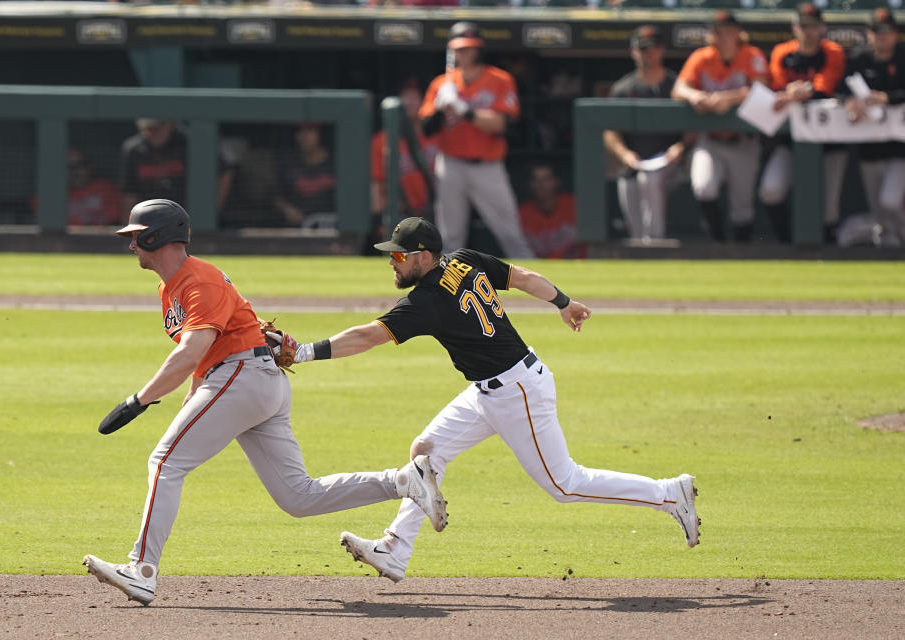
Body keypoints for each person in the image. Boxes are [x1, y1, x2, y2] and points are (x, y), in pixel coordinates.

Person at [278, 217, 700, 583]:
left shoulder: (427, 301)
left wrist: (305, 351)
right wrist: (564, 302)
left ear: (424, 257)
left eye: (400, 254)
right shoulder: (465, 259)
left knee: (565, 484)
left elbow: (367, 336)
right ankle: (395, 548)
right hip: (491, 388)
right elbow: (523, 277)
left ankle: (668, 494)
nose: (392, 260)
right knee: (426, 453)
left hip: (516, 392)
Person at [82, 200, 447, 606]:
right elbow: (202, 357)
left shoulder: (199, 280)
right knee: (298, 496)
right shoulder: (173, 284)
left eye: (135, 237)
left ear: (155, 236)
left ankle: (141, 571)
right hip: (249, 380)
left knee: (165, 463)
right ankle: (404, 481)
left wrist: (139, 400)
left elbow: (191, 350)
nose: (131, 245)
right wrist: (193, 397)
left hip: (242, 377)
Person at [419, 21, 534, 258]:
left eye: (469, 48)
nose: (464, 53)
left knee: (511, 234)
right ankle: (444, 289)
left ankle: (535, 285)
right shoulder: (442, 84)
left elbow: (503, 125)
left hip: (488, 166)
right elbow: (426, 129)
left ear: (479, 49)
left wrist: (464, 109)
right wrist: (441, 109)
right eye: (459, 48)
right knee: (449, 238)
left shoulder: (499, 79)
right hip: (451, 164)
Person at [672, 11, 769, 242]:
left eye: (728, 31)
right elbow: (678, 89)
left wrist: (728, 98)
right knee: (704, 188)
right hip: (711, 139)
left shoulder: (751, 55)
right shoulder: (702, 57)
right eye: (718, 32)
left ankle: (742, 256)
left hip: (743, 140)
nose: (723, 36)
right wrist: (696, 96)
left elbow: (761, 90)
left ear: (738, 33)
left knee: (742, 208)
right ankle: (718, 243)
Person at [759, 3, 847, 243]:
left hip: (830, 142)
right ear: (795, 28)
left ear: (822, 28)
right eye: (804, 26)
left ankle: (829, 259)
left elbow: (823, 89)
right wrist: (789, 93)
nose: (808, 31)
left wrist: (795, 94)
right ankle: (787, 243)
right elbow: (775, 89)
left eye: (814, 26)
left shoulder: (833, 51)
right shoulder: (782, 52)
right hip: (791, 141)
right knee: (770, 190)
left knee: (828, 210)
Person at [605, 25, 687, 242]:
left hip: (672, 162)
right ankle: (639, 246)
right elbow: (610, 131)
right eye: (643, 49)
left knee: (649, 180)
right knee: (631, 184)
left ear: (662, 50)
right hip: (635, 161)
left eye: (653, 48)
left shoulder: (677, 85)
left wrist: (681, 146)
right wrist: (624, 154)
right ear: (634, 51)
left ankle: (655, 242)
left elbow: (693, 127)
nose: (648, 54)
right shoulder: (623, 89)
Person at [841, 7, 905, 246]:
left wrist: (888, 98)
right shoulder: (859, 59)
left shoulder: (902, 57)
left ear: (896, 33)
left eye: (887, 31)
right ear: (869, 34)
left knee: (890, 200)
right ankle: (890, 247)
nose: (882, 36)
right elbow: (841, 90)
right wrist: (850, 102)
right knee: (878, 206)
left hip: (899, 146)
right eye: (877, 31)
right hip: (869, 146)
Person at [369, 78, 438, 250]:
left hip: (434, 210)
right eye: (405, 97)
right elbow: (376, 183)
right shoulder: (380, 141)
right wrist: (379, 216)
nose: (410, 102)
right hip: (400, 214)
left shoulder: (436, 137)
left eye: (415, 97)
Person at [120, 118, 235, 215]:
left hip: (187, 216)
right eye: (148, 129)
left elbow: (224, 173)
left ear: (169, 124)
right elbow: (130, 192)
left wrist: (211, 210)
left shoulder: (191, 143)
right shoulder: (134, 149)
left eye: (157, 128)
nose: (153, 133)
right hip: (149, 218)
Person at [517, 162, 583, 258]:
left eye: (546, 179)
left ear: (556, 182)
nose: (541, 185)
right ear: (530, 184)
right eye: (536, 180)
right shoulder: (522, 213)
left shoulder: (574, 205)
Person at [67, 148, 123, 226]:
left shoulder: (105, 188)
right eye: (70, 167)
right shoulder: (60, 194)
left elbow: (114, 219)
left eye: (80, 165)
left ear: (89, 166)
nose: (76, 172)